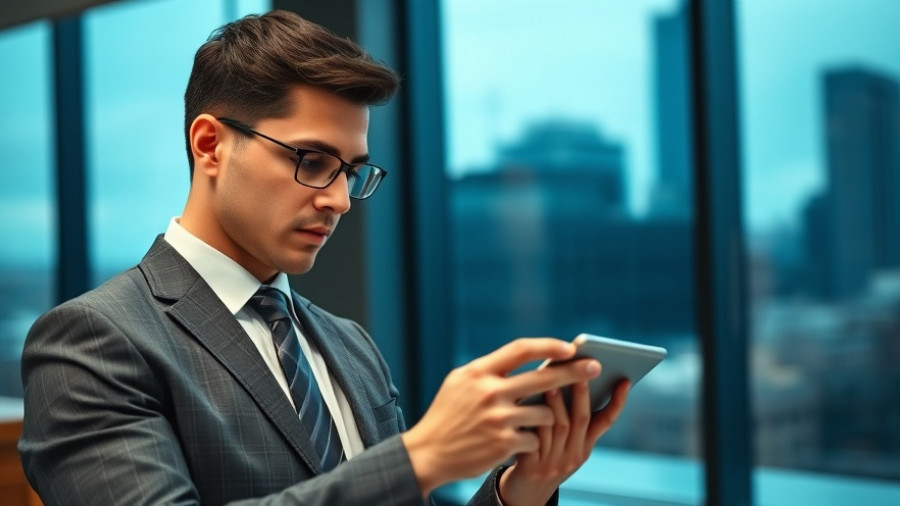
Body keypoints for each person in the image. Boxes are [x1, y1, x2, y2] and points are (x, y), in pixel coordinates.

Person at [18, 10, 630, 506]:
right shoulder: (93, 339)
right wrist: (419, 459)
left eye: (354, 172)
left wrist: (520, 490)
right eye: (311, 162)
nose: (339, 200)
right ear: (209, 145)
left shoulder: (349, 346)